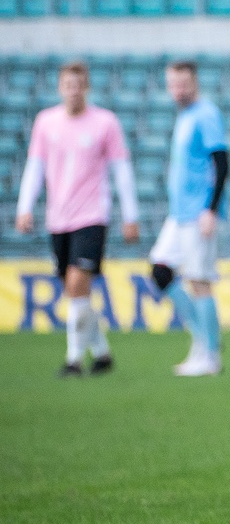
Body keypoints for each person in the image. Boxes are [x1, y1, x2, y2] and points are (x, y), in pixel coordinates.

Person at [14, 60, 139, 376]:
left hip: (92, 216)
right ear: (60, 88)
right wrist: (24, 207)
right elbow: (35, 166)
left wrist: (131, 215)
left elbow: (121, 170)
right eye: (67, 85)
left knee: (76, 283)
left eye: (78, 85)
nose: (73, 91)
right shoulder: (46, 122)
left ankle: (73, 360)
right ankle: (102, 354)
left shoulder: (105, 123)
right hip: (59, 218)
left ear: (86, 88)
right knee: (75, 293)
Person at [151, 60, 230, 377]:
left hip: (199, 212)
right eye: (173, 84)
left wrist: (210, 209)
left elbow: (222, 163)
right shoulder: (184, 117)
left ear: (194, 82)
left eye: (183, 84)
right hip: (179, 213)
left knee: (199, 280)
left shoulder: (206, 114)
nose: (178, 90)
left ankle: (209, 356)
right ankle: (204, 339)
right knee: (160, 270)